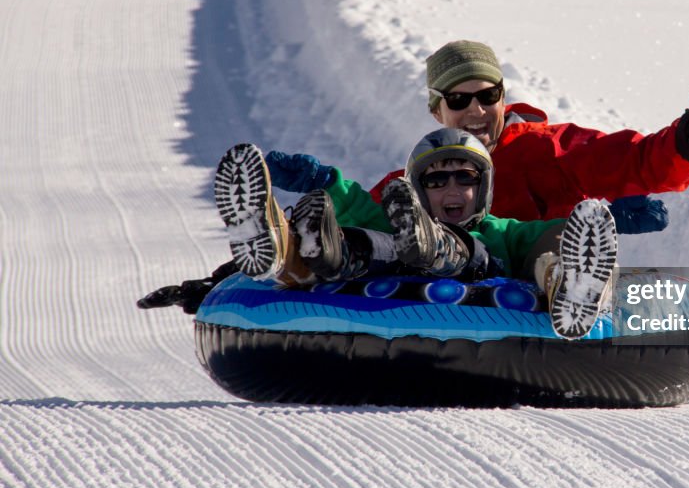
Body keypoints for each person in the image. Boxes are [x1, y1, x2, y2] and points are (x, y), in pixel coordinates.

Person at [139, 39, 689, 310]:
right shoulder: (419, 176)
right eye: (458, 99)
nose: (475, 110)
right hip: (448, 267)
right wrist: (225, 282)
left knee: (546, 244)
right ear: (436, 109)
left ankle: (574, 278)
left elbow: (634, 161)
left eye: (485, 95)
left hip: (526, 261)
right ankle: (272, 248)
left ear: (503, 95)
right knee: (350, 239)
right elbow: (360, 207)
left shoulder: (550, 149)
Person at [214, 129, 618, 339]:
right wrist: (324, 181)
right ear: (419, 191)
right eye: (437, 180)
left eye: (466, 177)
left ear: (485, 187)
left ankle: (570, 286)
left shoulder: (501, 231)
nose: (453, 188)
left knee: (493, 251)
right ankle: (281, 249)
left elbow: (543, 236)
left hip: (474, 268)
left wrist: (568, 243)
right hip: (401, 257)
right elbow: (359, 207)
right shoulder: (397, 222)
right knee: (364, 244)